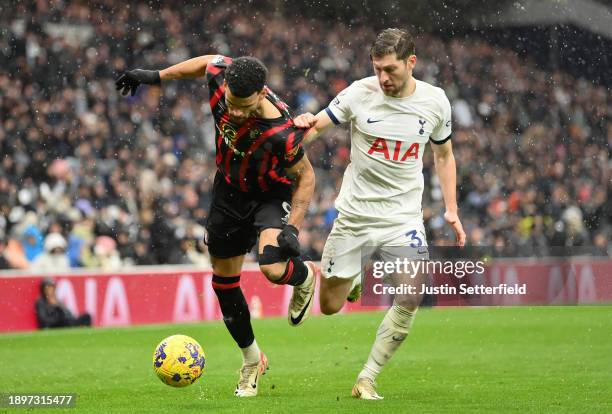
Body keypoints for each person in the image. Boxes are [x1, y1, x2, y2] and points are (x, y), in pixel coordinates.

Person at [116, 55, 317, 397]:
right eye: (230, 104)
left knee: (271, 267)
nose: (234, 112)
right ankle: (252, 360)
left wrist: (293, 229)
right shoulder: (220, 78)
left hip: (270, 192)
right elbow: (207, 61)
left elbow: (307, 176)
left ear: (260, 95)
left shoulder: (281, 131)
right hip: (228, 191)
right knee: (224, 284)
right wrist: (155, 75)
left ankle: (305, 275)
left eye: (243, 106)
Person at [294, 28, 466, 399]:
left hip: (403, 220)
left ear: (411, 62)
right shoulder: (359, 92)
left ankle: (367, 377)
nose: (383, 78)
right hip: (355, 216)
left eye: (391, 69)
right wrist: (300, 129)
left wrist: (451, 209)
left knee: (410, 294)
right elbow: (318, 128)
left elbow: (444, 154)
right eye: (377, 69)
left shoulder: (435, 102)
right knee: (329, 306)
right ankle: (335, 276)